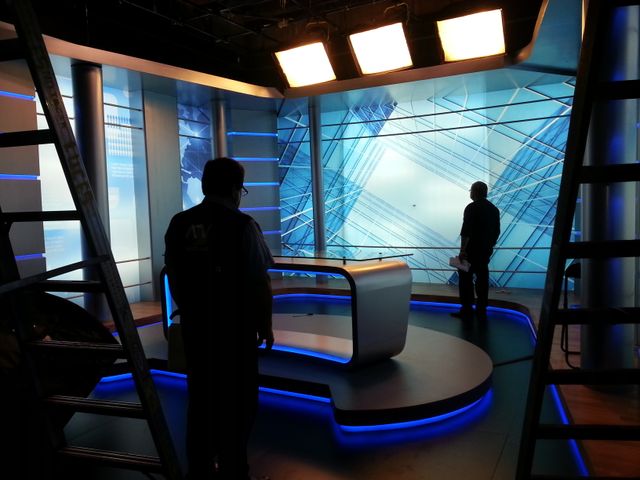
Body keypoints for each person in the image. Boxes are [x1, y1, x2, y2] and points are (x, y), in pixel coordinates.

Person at [164, 157, 274, 480]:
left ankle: (199, 470)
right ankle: (233, 470)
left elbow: (174, 274)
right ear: (236, 190)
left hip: (196, 329)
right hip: (235, 332)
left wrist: (191, 309)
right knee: (239, 404)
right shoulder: (243, 226)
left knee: (200, 401)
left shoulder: (179, 223)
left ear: (203, 185)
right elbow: (259, 281)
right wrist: (265, 324)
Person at [452, 181, 500, 321]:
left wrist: (462, 250)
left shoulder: (471, 208)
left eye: (471, 190)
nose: (470, 193)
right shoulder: (494, 209)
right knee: (482, 279)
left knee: (465, 280)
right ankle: (481, 309)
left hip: (471, 251)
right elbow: (497, 232)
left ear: (475, 192)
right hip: (485, 251)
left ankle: (467, 309)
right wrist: (490, 246)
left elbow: (466, 231)